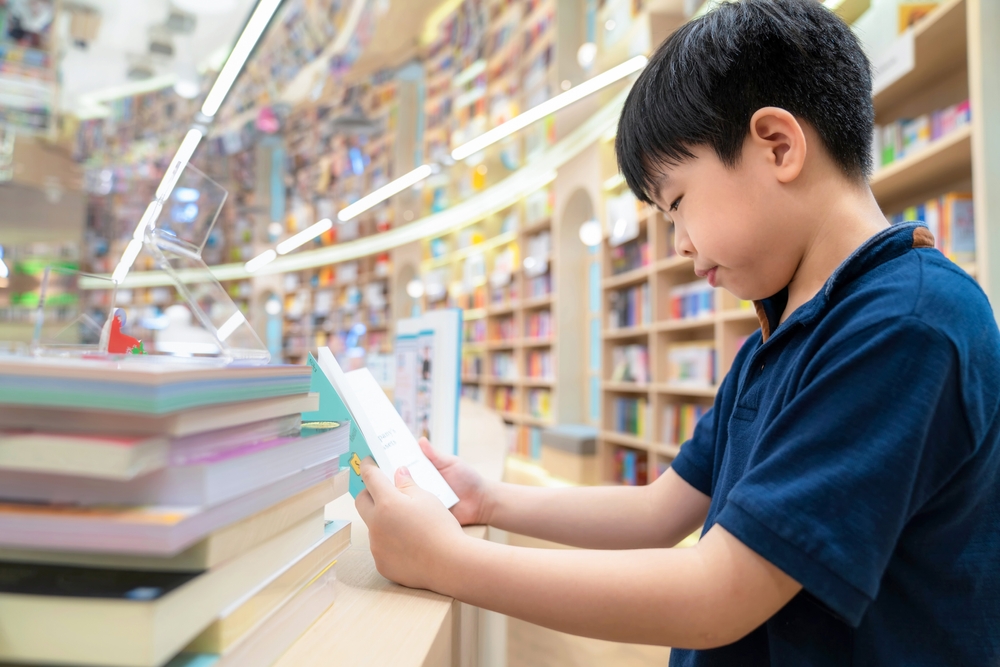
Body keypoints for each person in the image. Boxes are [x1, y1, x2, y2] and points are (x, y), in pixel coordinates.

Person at [356, 1, 1000, 664]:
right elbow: (661, 509)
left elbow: (719, 590)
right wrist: (490, 499)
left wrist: (448, 561)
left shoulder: (907, 324)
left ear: (777, 145)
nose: (679, 243)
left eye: (677, 203)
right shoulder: (773, 341)